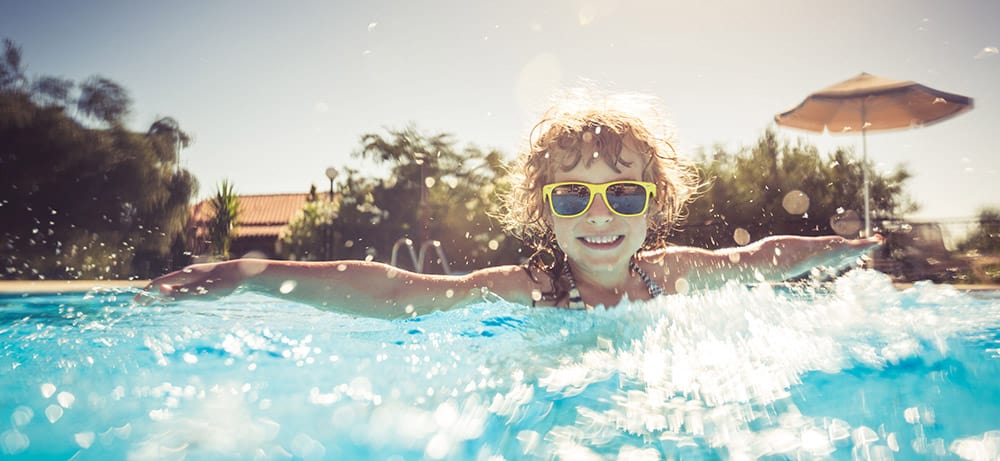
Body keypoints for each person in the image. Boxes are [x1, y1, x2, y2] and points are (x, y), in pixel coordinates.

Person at [141, 89, 881, 318]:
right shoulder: (528, 289)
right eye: (573, 193)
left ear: (653, 207)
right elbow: (398, 291)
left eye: (623, 192)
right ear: (546, 210)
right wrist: (255, 270)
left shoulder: (672, 273)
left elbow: (758, 260)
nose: (600, 213)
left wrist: (842, 250)